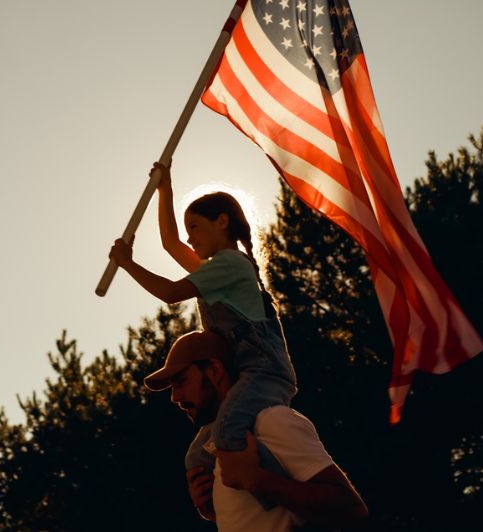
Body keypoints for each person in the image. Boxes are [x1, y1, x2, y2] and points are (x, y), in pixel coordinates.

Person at [109, 162, 298, 503]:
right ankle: (217, 508)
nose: (189, 237)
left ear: (221, 222)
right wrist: (165, 189)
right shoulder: (219, 271)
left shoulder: (229, 264)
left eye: (195, 227)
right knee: (197, 454)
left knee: (226, 431)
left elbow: (170, 294)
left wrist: (127, 264)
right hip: (245, 376)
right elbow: (170, 244)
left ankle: (284, 491)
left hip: (264, 372)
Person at [145, 330, 368, 530]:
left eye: (181, 382)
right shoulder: (218, 445)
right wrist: (210, 511)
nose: (175, 397)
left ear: (214, 370)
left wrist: (257, 480)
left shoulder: (272, 420)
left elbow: (351, 509)